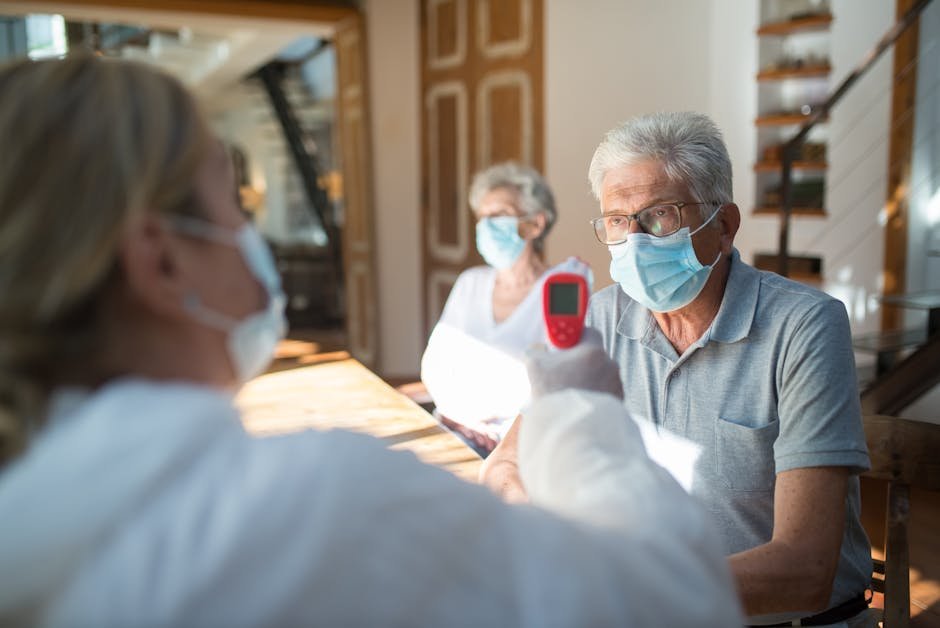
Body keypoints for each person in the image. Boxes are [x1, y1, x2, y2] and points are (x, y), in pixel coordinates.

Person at [0, 57, 743, 626]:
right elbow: (672, 601)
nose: (249, 234)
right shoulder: (313, 508)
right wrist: (578, 414)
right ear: (160, 261)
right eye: (230, 203)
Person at [482, 112, 873, 627]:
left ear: (725, 226)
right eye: (618, 221)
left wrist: (618, 587)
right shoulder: (600, 316)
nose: (635, 240)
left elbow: (804, 569)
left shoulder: (803, 326)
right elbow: (504, 466)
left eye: (660, 215)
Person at [420, 162, 591, 456]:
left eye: (498, 215)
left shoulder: (562, 290)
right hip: (453, 432)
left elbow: (558, 386)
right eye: (481, 217)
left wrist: (499, 429)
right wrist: (465, 418)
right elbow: (434, 369)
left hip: (521, 448)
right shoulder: (470, 283)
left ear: (535, 224)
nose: (486, 226)